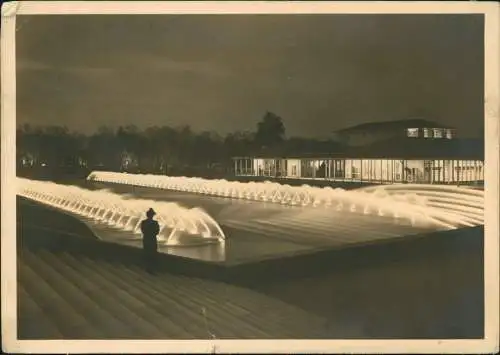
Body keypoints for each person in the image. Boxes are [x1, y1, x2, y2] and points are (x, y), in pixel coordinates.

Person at [140, 208, 160, 274]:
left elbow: (156, 231)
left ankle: (150, 268)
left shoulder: (145, 222)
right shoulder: (154, 223)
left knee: (150, 254)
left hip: (148, 239)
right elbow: (156, 232)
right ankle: (149, 269)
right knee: (150, 254)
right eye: (151, 215)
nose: (151, 216)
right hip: (151, 239)